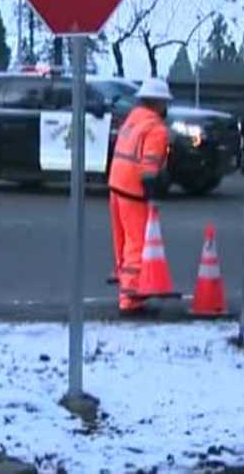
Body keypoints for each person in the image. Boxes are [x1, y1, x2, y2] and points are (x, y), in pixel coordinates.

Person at [107, 77, 173, 316]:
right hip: (133, 190)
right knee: (137, 242)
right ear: (158, 103)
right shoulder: (156, 128)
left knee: (122, 241)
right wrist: (154, 195)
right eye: (165, 102)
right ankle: (130, 298)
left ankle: (125, 282)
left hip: (116, 184)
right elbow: (149, 168)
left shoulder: (132, 121)